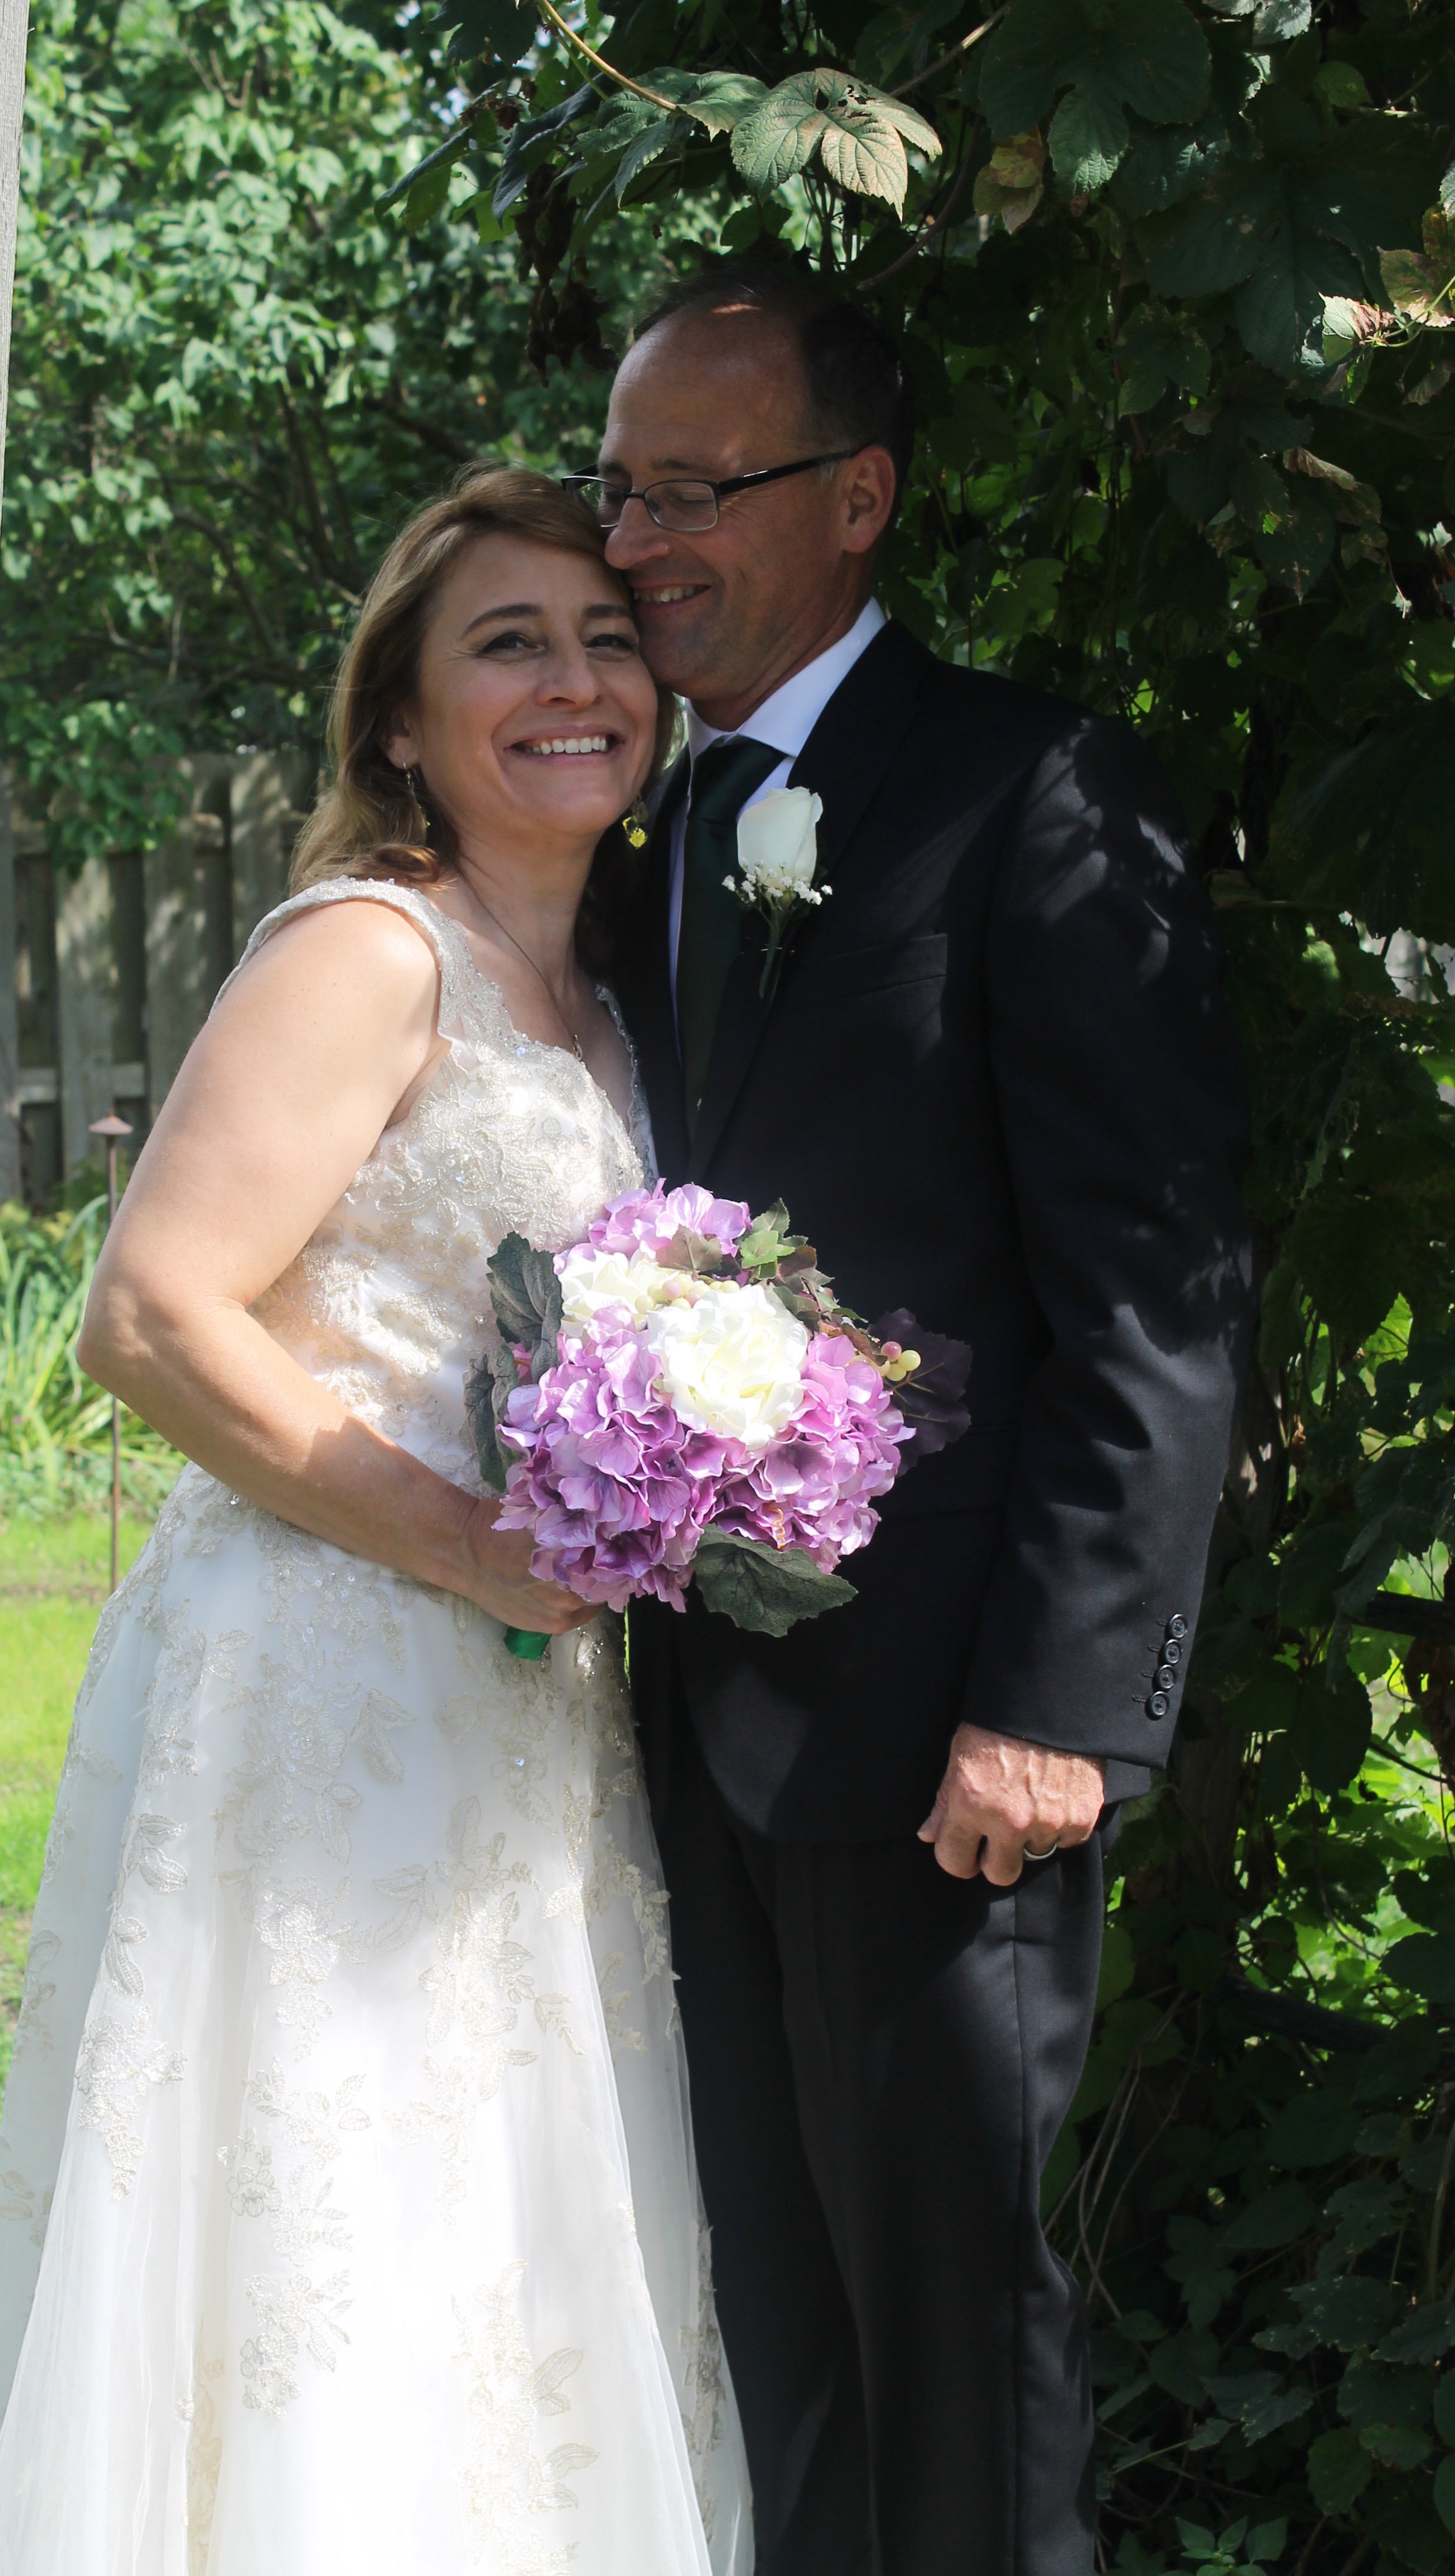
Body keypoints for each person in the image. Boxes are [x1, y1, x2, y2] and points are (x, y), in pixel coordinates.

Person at [0, 467, 753, 2576]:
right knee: (336, 2211)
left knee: (500, 2216)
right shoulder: (372, 950)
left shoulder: (606, 990)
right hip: (326, 1672)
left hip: (525, 1702)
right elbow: (148, 1314)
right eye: (509, 643)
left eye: (607, 638)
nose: (576, 681)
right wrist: (470, 1544)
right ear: (399, 719)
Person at [577, 262, 1253, 2576]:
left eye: (695, 489)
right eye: (617, 489)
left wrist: (1060, 1708)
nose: (638, 541)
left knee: (958, 2338)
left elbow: (1152, 1299)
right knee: (767, 2333)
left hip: (948, 1738)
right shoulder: (640, 828)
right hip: (680, 1723)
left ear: (855, 497)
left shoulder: (1028, 788)